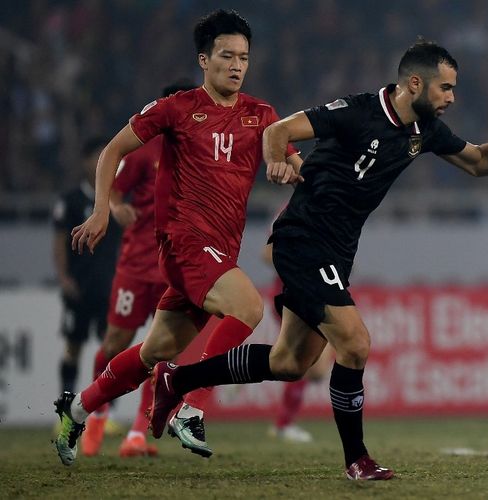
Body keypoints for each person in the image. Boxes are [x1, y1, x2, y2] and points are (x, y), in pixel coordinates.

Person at [148, 39, 488, 480]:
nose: (451, 97)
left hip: (337, 250)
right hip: (303, 238)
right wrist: (276, 163)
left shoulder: (424, 131)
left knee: (289, 362)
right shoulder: (356, 111)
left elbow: (480, 162)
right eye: (445, 88)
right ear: (415, 82)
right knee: (354, 343)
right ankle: (357, 459)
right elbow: (277, 131)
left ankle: (175, 381)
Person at [52, 9, 301, 466]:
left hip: (218, 252)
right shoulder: (177, 109)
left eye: (243, 57)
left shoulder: (262, 115)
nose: (236, 65)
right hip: (183, 242)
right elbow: (113, 150)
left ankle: (75, 409)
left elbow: (289, 162)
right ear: (204, 60)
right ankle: (191, 404)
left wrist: (287, 168)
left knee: (152, 353)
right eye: (226, 56)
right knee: (247, 307)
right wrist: (102, 209)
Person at [80, 80, 196, 459]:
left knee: (158, 351)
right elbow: (114, 187)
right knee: (116, 343)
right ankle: (94, 417)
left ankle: (136, 434)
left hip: (172, 266)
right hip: (135, 265)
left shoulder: (200, 150)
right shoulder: (145, 149)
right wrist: (113, 208)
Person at [52, 137, 120, 402]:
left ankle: (106, 412)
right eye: (98, 156)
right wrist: (64, 277)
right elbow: (58, 243)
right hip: (79, 286)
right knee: (73, 347)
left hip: (110, 286)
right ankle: (65, 404)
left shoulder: (117, 199)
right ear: (86, 161)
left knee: (111, 348)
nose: (102, 161)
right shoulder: (70, 200)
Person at [261, 240, 335, 444]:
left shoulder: (328, 211)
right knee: (302, 359)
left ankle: (241, 366)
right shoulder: (291, 212)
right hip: (294, 293)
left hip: (318, 291)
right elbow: (268, 254)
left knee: (316, 370)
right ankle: (284, 425)